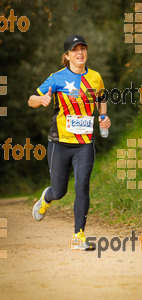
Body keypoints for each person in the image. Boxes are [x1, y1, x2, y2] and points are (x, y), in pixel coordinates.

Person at [28, 35, 111, 250]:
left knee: (82, 185)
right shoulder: (56, 78)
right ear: (67, 56)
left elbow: (101, 99)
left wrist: (103, 118)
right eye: (75, 50)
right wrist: (42, 100)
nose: (80, 52)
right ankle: (46, 198)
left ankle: (78, 236)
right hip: (60, 142)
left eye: (83, 48)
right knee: (59, 191)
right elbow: (31, 99)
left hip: (84, 142)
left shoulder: (95, 77)